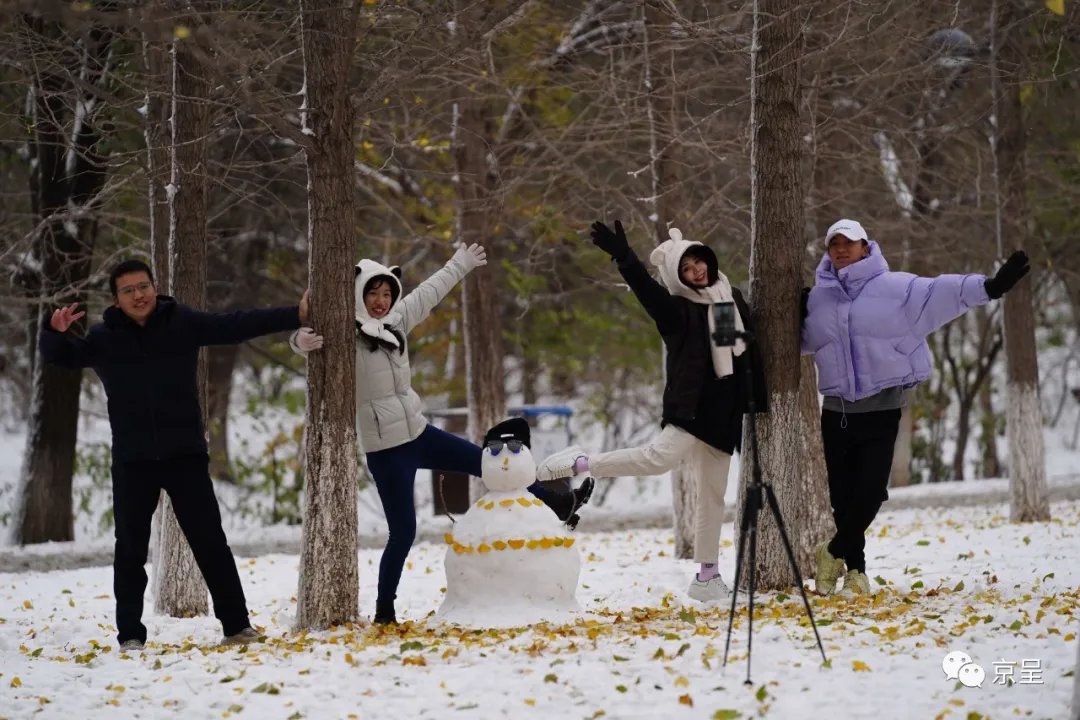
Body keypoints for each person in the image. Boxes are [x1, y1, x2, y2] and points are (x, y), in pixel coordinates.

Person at [292, 244, 592, 625]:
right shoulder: (342, 332)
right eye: (373, 294)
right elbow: (305, 339)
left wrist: (460, 264)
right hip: (386, 450)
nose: (381, 301)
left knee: (489, 464)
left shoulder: (397, 321)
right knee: (403, 531)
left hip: (419, 434)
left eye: (387, 294)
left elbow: (429, 293)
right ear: (359, 293)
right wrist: (299, 342)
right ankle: (385, 611)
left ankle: (558, 503)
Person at [39, 258, 320, 650]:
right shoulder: (104, 338)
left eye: (143, 286)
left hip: (184, 455)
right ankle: (131, 635)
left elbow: (235, 325)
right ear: (116, 299)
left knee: (210, 542)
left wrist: (295, 313)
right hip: (133, 461)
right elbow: (62, 357)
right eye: (128, 290)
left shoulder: (181, 323)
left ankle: (237, 626)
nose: (138, 295)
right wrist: (52, 333)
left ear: (154, 287)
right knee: (130, 550)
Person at [538, 221, 766, 604]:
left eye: (699, 263)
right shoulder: (676, 311)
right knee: (657, 459)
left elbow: (739, 354)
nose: (697, 272)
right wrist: (625, 258)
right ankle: (581, 462)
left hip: (724, 416)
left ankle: (707, 577)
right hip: (692, 410)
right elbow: (646, 291)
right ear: (678, 278)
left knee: (712, 497)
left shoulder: (729, 300)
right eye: (687, 269)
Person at [801, 218, 1029, 595]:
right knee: (844, 499)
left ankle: (831, 551)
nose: (841, 249)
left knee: (871, 493)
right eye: (833, 244)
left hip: (881, 407)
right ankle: (855, 571)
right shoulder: (818, 298)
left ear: (864, 246)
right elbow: (801, 341)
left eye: (849, 242)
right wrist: (793, 315)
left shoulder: (894, 288)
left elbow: (941, 291)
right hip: (837, 411)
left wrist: (989, 287)